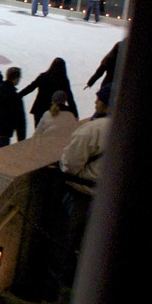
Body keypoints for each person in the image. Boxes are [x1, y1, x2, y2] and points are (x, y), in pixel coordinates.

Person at [57, 91, 111, 285]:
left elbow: (70, 165)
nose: (95, 102)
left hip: (81, 195)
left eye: (99, 99)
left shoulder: (91, 130)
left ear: (105, 104)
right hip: (107, 198)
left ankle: (60, 284)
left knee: (66, 242)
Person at [19, 58, 78, 126]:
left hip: (39, 108)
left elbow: (31, 87)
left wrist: (19, 95)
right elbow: (70, 98)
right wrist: (75, 114)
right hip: (54, 110)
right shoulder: (63, 81)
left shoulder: (43, 76)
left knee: (39, 133)